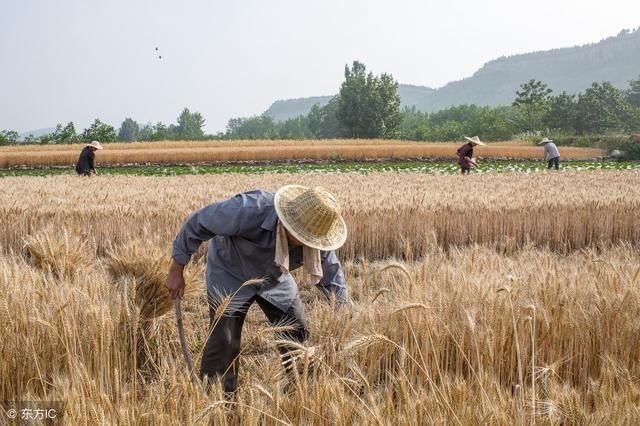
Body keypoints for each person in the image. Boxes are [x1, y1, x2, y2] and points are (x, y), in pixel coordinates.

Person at [165, 185, 349, 396]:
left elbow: (333, 277)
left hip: (274, 277)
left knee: (296, 329)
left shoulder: (317, 238)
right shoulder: (249, 209)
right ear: (289, 222)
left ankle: (298, 392)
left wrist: (342, 316)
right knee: (224, 341)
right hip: (230, 272)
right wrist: (176, 269)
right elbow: (199, 221)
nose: (308, 243)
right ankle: (218, 402)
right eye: (302, 236)